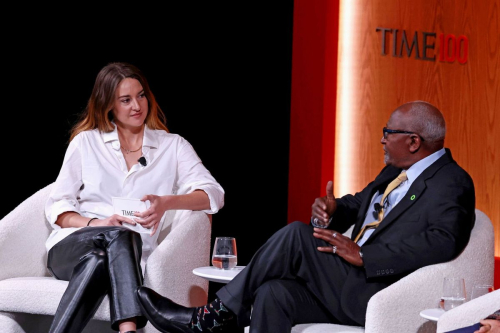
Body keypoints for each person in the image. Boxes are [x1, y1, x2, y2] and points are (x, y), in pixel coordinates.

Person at [136, 100, 476, 333]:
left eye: (389, 132)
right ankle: (218, 318)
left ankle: (212, 318)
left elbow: (443, 243)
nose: (382, 140)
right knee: (273, 293)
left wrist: (365, 255)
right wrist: (332, 211)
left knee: (297, 235)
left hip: (378, 291)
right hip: (343, 281)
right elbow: (357, 206)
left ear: (414, 141)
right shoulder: (393, 172)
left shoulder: (452, 182)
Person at [44, 62, 225, 333]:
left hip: (120, 257)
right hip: (71, 247)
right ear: (109, 106)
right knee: (119, 234)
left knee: (101, 259)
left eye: (141, 96)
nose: (137, 106)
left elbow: (213, 194)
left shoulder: (172, 145)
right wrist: (98, 223)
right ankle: (128, 330)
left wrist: (166, 203)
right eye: (125, 100)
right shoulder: (86, 143)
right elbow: (57, 206)